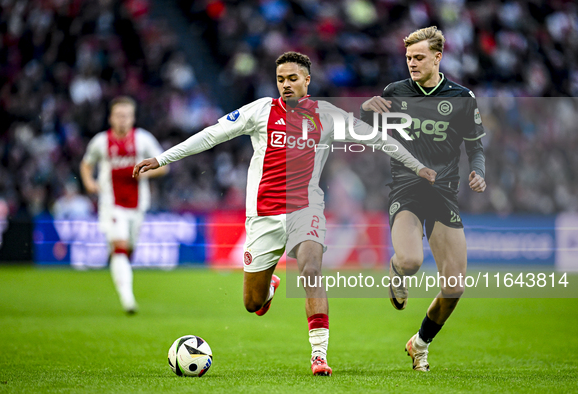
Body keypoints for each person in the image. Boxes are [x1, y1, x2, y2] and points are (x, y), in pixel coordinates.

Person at [133, 52, 436, 375]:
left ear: (307, 80)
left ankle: (318, 355)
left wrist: (417, 166)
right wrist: (163, 158)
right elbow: (211, 134)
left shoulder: (327, 115)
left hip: (305, 209)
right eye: (281, 79)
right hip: (263, 217)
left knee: (311, 270)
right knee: (253, 303)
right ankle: (270, 287)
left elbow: (378, 139)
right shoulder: (261, 110)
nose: (286, 85)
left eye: (293, 78)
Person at [360, 26, 487, 371]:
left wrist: (479, 171)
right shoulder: (396, 91)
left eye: (418, 57)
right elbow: (365, 127)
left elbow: (475, 146)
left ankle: (420, 343)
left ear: (437, 57)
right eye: (408, 58)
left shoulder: (462, 97)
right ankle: (397, 270)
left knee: (455, 286)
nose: (412, 63)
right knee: (412, 261)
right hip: (407, 189)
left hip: (444, 193)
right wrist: (366, 110)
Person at [80, 96, 168, 314]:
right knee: (120, 247)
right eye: (119, 115)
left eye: (126, 115)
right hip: (111, 204)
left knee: (128, 249)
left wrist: (147, 171)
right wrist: (89, 182)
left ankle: (118, 263)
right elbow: (86, 164)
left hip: (138, 205)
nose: (122, 119)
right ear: (111, 118)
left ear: (133, 118)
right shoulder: (101, 141)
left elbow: (164, 166)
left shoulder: (143, 139)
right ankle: (128, 300)